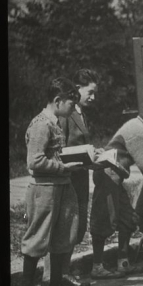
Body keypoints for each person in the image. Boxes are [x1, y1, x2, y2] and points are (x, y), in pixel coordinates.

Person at [89, 102, 143, 279]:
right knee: (104, 221)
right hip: (107, 176)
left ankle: (123, 263)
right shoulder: (139, 132)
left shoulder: (139, 126)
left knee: (128, 219)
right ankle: (97, 266)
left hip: (115, 177)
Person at [22, 77, 83, 286]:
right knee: (37, 240)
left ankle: (56, 282)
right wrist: (65, 167)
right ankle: (26, 282)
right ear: (58, 101)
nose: (73, 109)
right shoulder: (42, 124)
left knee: (62, 239)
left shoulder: (56, 123)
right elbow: (35, 160)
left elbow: (55, 154)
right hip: (44, 190)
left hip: (62, 188)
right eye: (71, 104)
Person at [42, 69, 99, 286]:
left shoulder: (81, 113)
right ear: (77, 89)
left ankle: (63, 272)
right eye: (90, 92)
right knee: (62, 227)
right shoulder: (66, 114)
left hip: (80, 179)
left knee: (75, 227)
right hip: (67, 179)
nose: (93, 97)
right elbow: (59, 148)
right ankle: (52, 276)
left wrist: (94, 153)